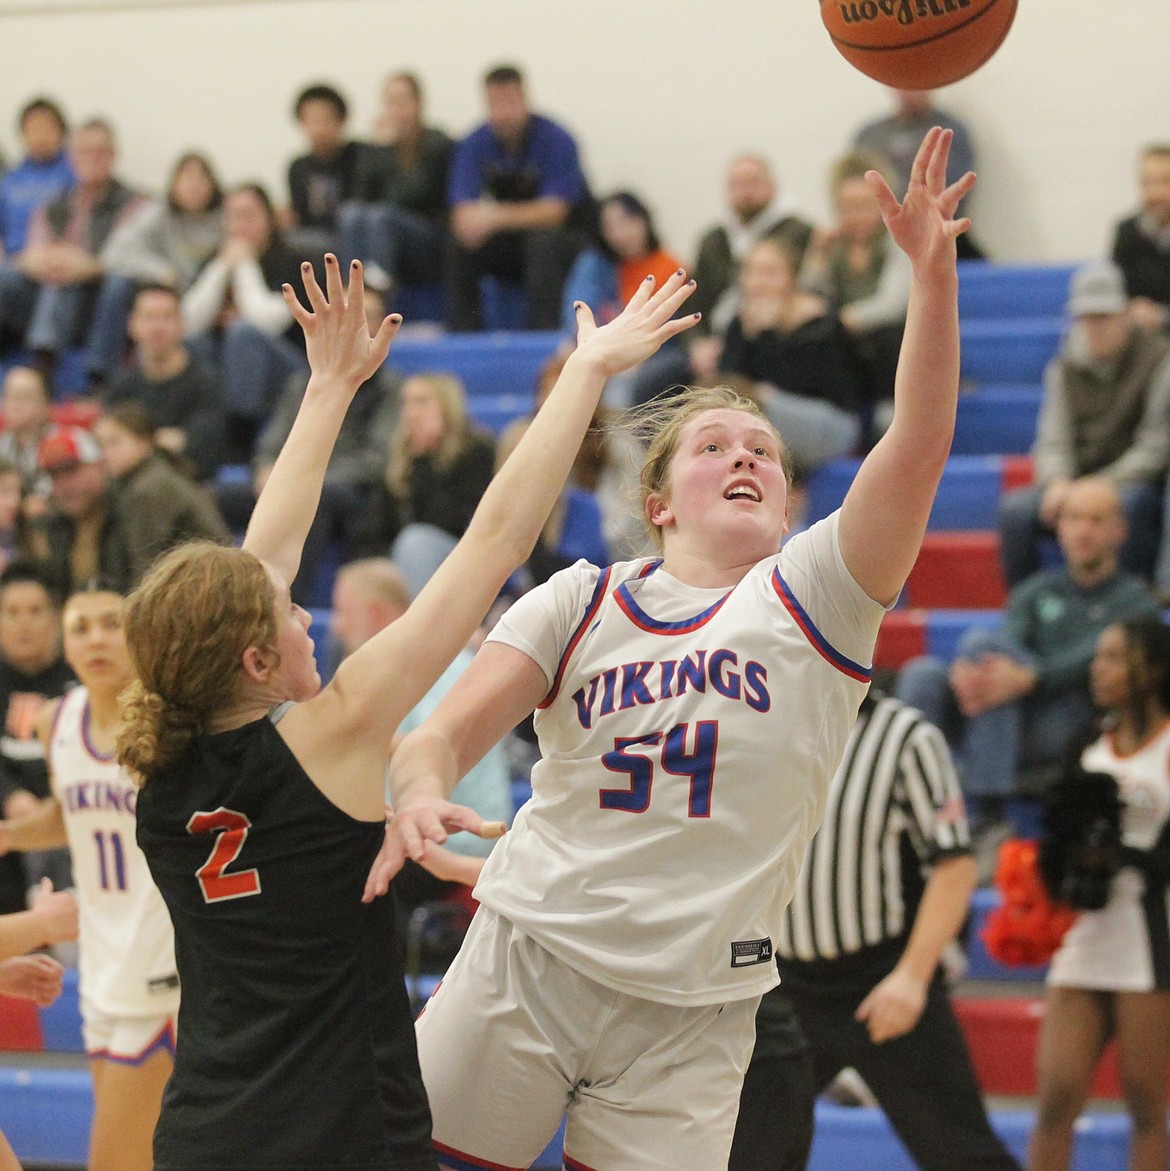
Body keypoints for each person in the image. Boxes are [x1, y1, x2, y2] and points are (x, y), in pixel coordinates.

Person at [382, 128, 974, 1169]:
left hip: (698, 1006)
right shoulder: (583, 595)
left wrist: (931, 278)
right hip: (529, 958)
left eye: (764, 452)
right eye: (715, 446)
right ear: (656, 500)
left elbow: (917, 444)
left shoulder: (816, 593)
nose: (746, 455)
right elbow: (443, 734)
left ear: (789, 504)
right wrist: (421, 783)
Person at [114, 253, 697, 1169]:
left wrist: (330, 387)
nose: (306, 612)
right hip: (339, 1130)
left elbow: (260, 562)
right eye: (290, 615)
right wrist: (584, 373)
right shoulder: (331, 731)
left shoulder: (161, 757)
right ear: (256, 659)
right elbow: (495, 540)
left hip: (207, 1131)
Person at [730, 691, 1020, 1171]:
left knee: (963, 1154)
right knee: (751, 1154)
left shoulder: (908, 737)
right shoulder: (763, 727)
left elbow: (955, 866)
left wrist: (912, 977)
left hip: (881, 980)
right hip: (786, 987)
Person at [0, 581, 179, 1171]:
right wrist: (8, 835)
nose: (96, 638)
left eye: (111, 623)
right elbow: (71, 815)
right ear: (66, 643)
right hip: (103, 960)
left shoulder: (169, 723)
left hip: (161, 963)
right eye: (82, 627)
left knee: (117, 1158)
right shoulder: (57, 720)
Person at [898, 476, 1161, 833]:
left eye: (1096, 520)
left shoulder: (1137, 605)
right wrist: (973, 674)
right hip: (1011, 718)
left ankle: (989, 816)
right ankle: (912, 806)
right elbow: (1006, 648)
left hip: (1075, 723)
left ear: (1119, 530)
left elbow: (1086, 663)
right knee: (924, 672)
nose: (1083, 531)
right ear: (1059, 528)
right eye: (1073, 519)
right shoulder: (1035, 590)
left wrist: (1033, 677)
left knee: (982, 649)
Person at [1028, 614, 1170, 1171]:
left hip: (1149, 940)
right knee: (1055, 1099)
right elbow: (1054, 832)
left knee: (1145, 1105)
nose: (1099, 668)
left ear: (1152, 668)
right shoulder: (1086, 741)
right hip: (1084, 935)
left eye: (1114, 656)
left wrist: (1123, 856)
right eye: (1098, 656)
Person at [329, 557, 512, 912]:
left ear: (376, 613)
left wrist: (334, 736)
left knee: (342, 879)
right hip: (419, 826)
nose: (335, 627)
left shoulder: (436, 662)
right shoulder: (396, 665)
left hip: (457, 837)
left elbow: (433, 743)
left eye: (343, 613)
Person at [215, 284, 401, 605]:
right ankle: (216, 599)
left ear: (384, 327)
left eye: (365, 315)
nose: (354, 324)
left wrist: (306, 478)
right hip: (293, 482)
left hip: (352, 494)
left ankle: (285, 604)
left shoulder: (391, 388)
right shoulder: (302, 381)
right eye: (346, 313)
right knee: (214, 496)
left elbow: (377, 459)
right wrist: (266, 469)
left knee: (318, 499)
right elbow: (271, 443)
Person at [997, 260, 1169, 589]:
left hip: (1132, 480)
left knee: (1133, 505)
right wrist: (1058, 481)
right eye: (1087, 318)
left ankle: (1130, 604)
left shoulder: (1160, 360)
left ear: (1126, 314)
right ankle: (1028, 606)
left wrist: (1094, 489)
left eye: (1104, 316)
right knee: (1016, 511)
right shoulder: (1063, 367)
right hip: (1074, 482)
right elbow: (1053, 440)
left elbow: (1155, 447)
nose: (1095, 327)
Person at [445, 63, 593, 332]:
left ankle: (543, 334)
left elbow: (554, 212)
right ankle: (463, 334)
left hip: (563, 240)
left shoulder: (556, 139)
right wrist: (473, 224)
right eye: (494, 103)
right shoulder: (474, 142)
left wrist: (493, 217)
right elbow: (461, 213)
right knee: (459, 245)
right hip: (512, 241)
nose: (503, 113)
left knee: (543, 242)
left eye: (509, 102)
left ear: (525, 99)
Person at [3, 119, 145, 387]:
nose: (92, 158)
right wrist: (47, 261)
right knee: (8, 276)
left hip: (100, 294)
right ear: (71, 157)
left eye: (100, 151)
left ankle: (80, 373)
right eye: (84, 151)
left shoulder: (133, 203)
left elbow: (130, 256)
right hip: (51, 288)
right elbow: (32, 251)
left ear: (113, 155)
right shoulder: (56, 203)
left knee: (94, 282)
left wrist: (92, 266)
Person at [181, 183, 309, 461]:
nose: (239, 226)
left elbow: (268, 322)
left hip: (293, 369)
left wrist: (245, 266)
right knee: (193, 344)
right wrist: (221, 268)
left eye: (249, 215)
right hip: (231, 369)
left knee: (243, 334)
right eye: (232, 217)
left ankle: (241, 438)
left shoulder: (293, 261)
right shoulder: (215, 260)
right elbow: (188, 322)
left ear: (269, 219)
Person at [351, 371, 496, 598]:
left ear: (447, 406)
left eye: (421, 402)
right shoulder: (399, 460)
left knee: (415, 542)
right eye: (406, 403)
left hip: (463, 557)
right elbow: (373, 532)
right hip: (408, 559)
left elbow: (456, 522)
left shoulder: (477, 450)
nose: (411, 412)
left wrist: (425, 462)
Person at [89, 151, 225, 387]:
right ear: (173, 184)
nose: (193, 186)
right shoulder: (159, 212)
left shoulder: (226, 218)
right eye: (186, 178)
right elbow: (114, 253)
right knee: (118, 285)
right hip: (167, 297)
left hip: (208, 306)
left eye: (201, 179)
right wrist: (162, 271)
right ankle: (100, 376)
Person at [800, 149, 912, 415]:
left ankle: (891, 410)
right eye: (848, 208)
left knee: (889, 335)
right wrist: (817, 255)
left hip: (891, 339)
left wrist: (845, 319)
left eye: (865, 206)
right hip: (847, 337)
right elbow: (807, 297)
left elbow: (894, 304)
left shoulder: (897, 241)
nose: (857, 215)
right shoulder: (833, 246)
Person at [0, 562, 75, 913]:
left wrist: (53, 802)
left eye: (35, 611)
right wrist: (10, 796)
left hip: (68, 816)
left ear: (56, 617)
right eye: (12, 612)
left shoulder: (80, 677)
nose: (24, 623)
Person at [339, 71, 453, 293]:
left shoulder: (437, 144)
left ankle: (380, 295)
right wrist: (377, 150)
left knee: (381, 217)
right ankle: (350, 292)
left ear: (419, 104)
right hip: (385, 236)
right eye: (391, 102)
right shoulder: (379, 149)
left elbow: (414, 196)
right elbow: (360, 196)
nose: (397, 109)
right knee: (350, 213)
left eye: (403, 101)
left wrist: (383, 152)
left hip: (429, 239)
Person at [101, 283, 227, 482]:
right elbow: (107, 442)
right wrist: (162, 442)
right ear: (132, 325)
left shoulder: (206, 382)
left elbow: (199, 451)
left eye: (167, 317)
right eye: (148, 317)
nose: (157, 327)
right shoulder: (121, 384)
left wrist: (135, 444)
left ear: (181, 324)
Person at [92, 402, 231, 582]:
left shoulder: (149, 489)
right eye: (102, 445)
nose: (107, 453)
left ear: (145, 442)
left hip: (204, 582)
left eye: (115, 443)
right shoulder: (158, 472)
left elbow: (146, 565)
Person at [690, 152, 816, 338]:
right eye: (737, 185)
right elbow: (696, 299)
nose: (745, 192)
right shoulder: (713, 240)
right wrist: (698, 342)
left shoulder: (798, 232)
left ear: (772, 186)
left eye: (752, 182)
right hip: (716, 335)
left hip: (780, 333)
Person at [852, 87, 982, 259]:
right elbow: (854, 186)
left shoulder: (953, 132)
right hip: (881, 236)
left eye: (917, 85)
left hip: (938, 232)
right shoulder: (870, 135)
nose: (911, 91)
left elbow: (954, 192)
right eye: (904, 83)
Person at [0, 97, 74, 352]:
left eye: (47, 128)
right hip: (15, 269)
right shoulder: (9, 181)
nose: (40, 136)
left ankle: (43, 358)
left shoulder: (74, 176)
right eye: (33, 129)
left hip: (57, 265)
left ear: (61, 132)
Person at [27, 426, 132, 595]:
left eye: (70, 470)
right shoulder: (53, 527)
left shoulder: (132, 512)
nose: (64, 485)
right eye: (54, 475)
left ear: (100, 465)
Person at [284, 83, 365, 258]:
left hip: (355, 237)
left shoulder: (360, 155)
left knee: (351, 214)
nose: (319, 128)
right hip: (315, 237)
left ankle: (349, 283)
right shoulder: (297, 167)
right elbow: (300, 217)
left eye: (326, 119)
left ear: (341, 120)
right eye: (312, 120)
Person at [1111, 143, 1170, 334]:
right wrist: (1131, 309)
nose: (1155, 193)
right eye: (1147, 182)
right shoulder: (1126, 232)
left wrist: (1161, 315)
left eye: (1164, 181)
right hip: (1138, 339)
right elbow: (1115, 291)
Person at [0, 365, 53, 500]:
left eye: (25, 397)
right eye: (10, 396)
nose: (15, 405)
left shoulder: (64, 442)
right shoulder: (2, 445)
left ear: (45, 404)